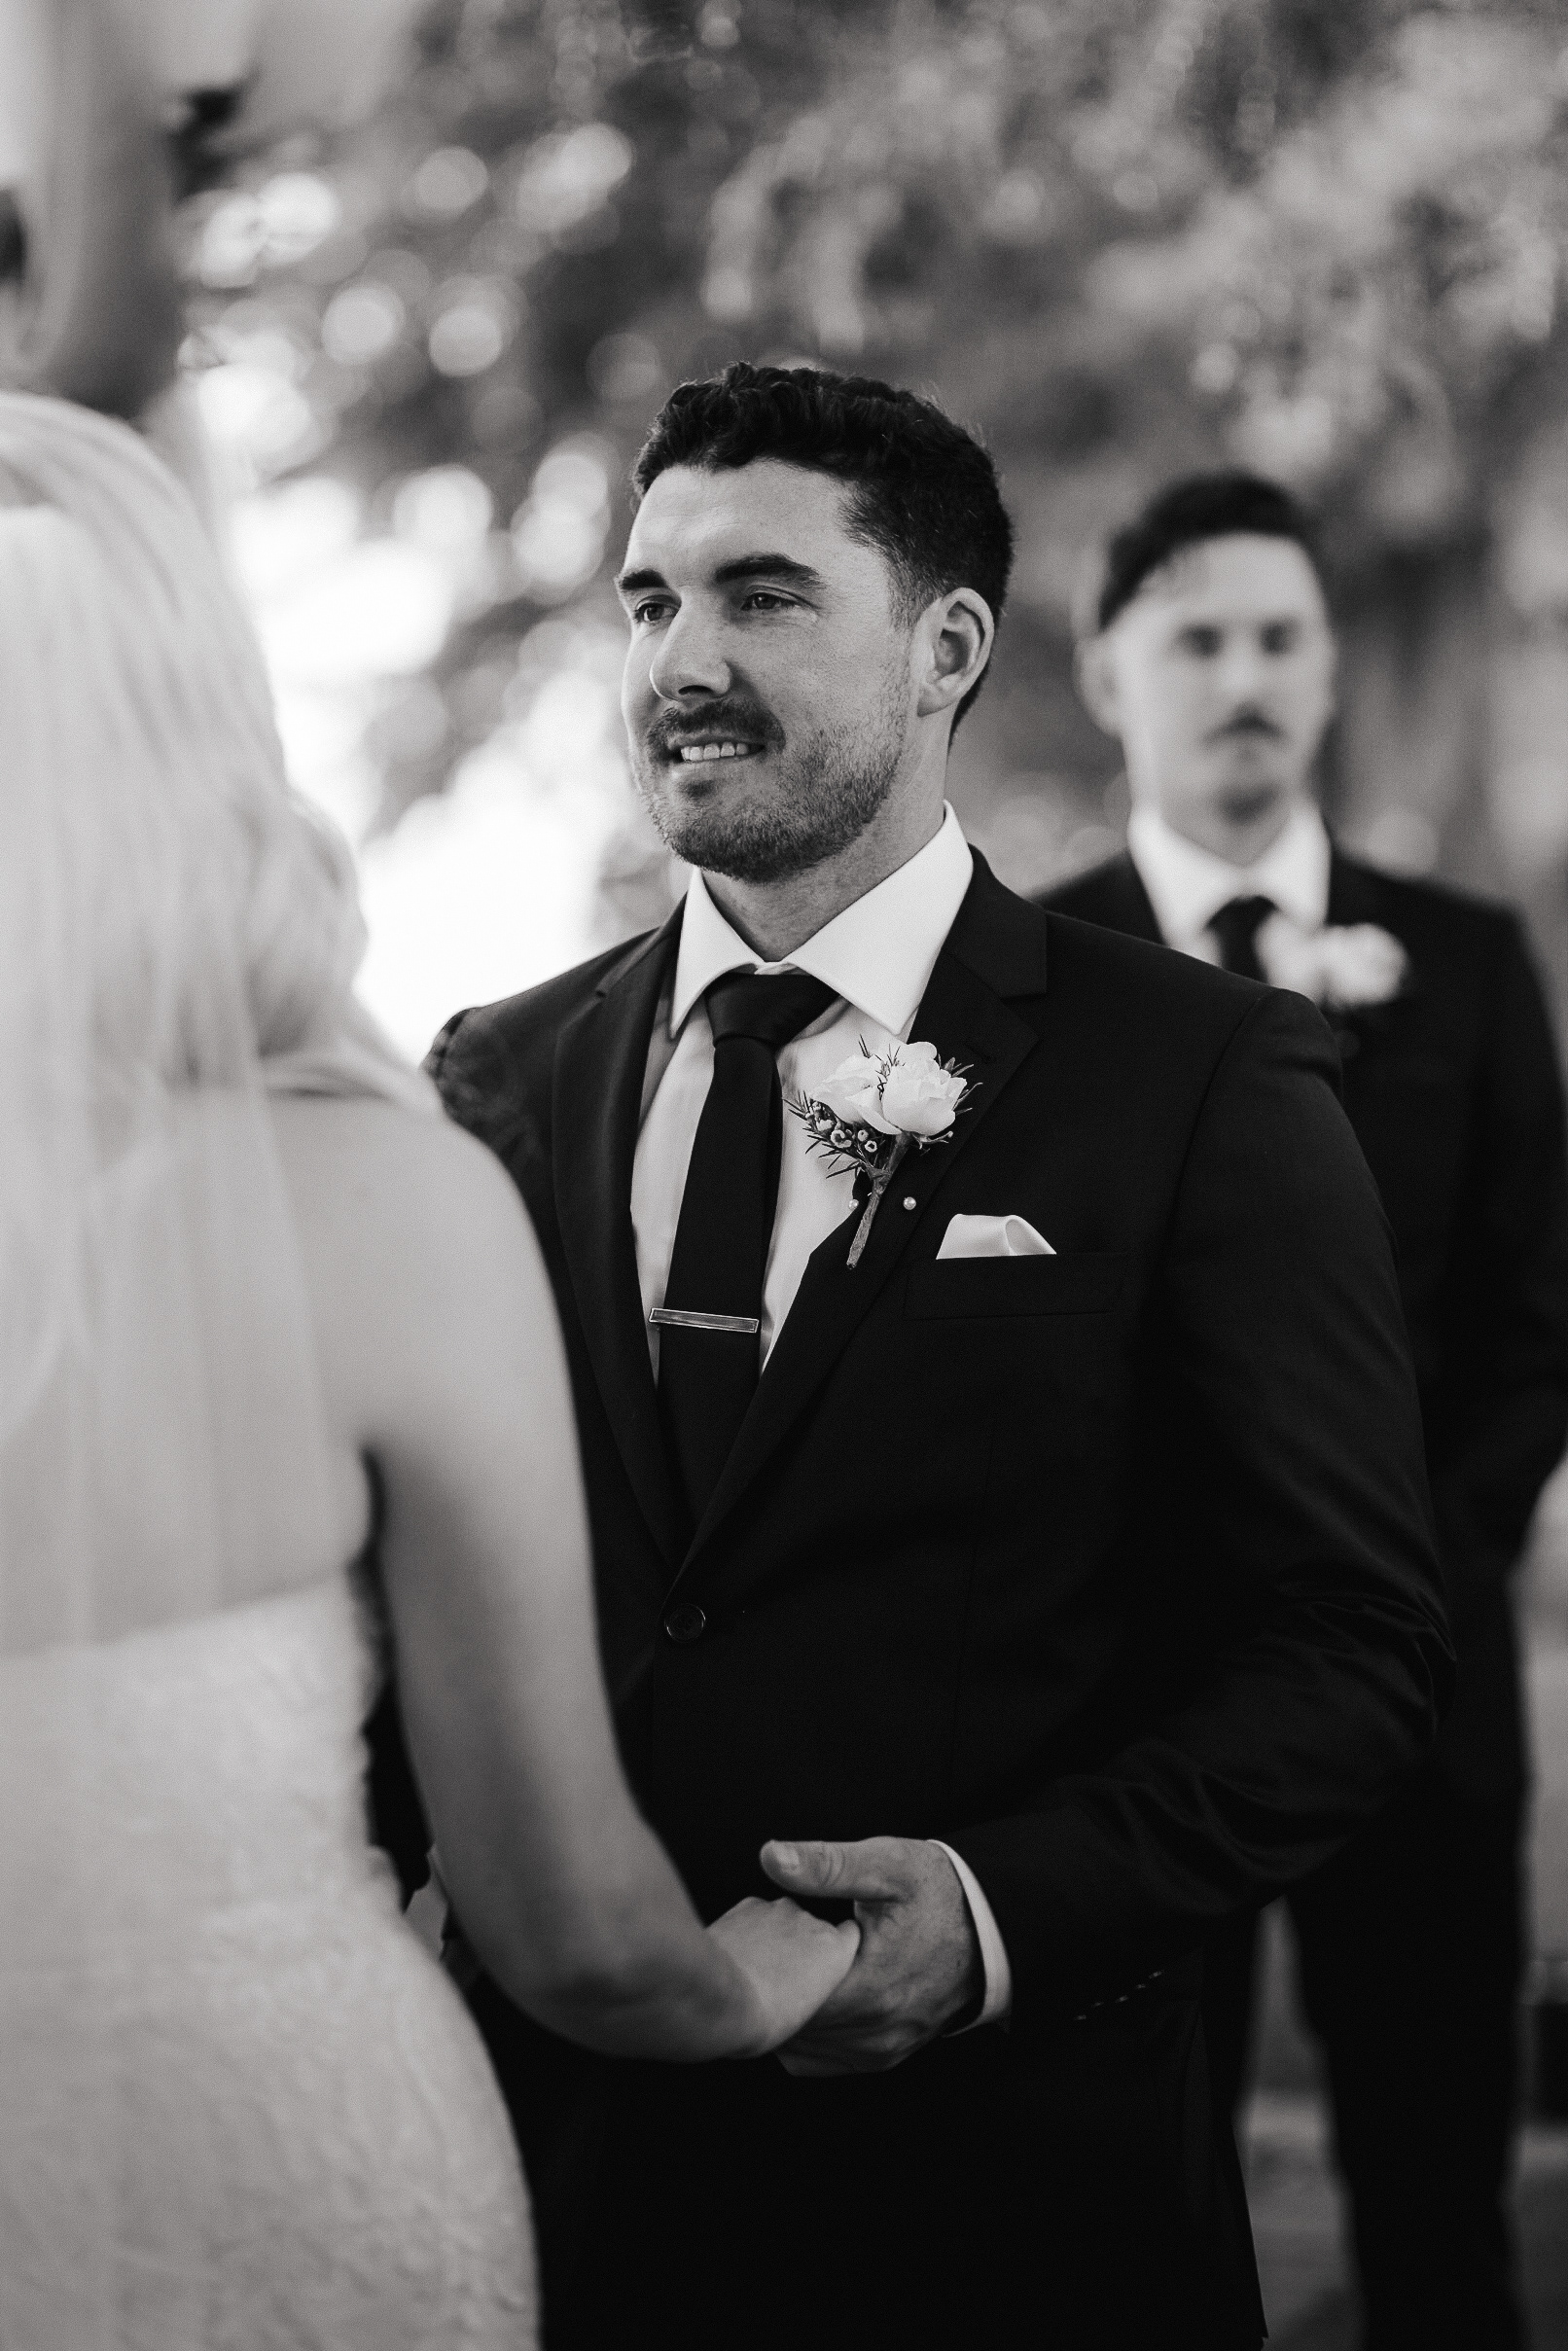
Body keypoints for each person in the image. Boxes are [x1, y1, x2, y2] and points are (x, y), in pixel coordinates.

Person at [427, 363, 1453, 2351]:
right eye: (650, 601)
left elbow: (1349, 1648)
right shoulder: (497, 1077)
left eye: (762, 594)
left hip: (1013, 2202)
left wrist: (990, 1918)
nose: (681, 662)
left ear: (945, 648)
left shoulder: (1199, 1076)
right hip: (557, 2193)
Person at [0, 393, 860, 2349]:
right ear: (194, 727)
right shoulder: (381, 1202)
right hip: (295, 2194)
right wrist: (753, 1984)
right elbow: (566, 1918)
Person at [1044, 469, 1568, 2351]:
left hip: (1420, 1700)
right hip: (1127, 1708)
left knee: (1443, 2225)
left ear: (1332, 667)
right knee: (1131, 2228)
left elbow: (1538, 1314)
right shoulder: (1032, 970)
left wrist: (1422, 1571)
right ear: (1109, 675)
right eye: (1198, 638)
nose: (1246, 677)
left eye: (1281, 636)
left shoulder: (1470, 958)